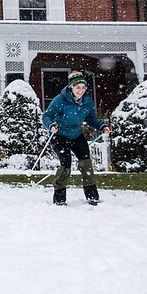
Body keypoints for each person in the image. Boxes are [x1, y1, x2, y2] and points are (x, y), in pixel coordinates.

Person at [41, 70, 111, 206]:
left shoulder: (87, 102)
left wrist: (102, 126)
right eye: (77, 87)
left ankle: (92, 197)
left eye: (83, 88)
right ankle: (59, 199)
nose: (81, 91)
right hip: (59, 135)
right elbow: (47, 116)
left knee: (86, 164)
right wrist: (51, 125)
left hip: (76, 135)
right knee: (65, 164)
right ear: (71, 87)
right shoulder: (60, 100)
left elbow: (90, 118)